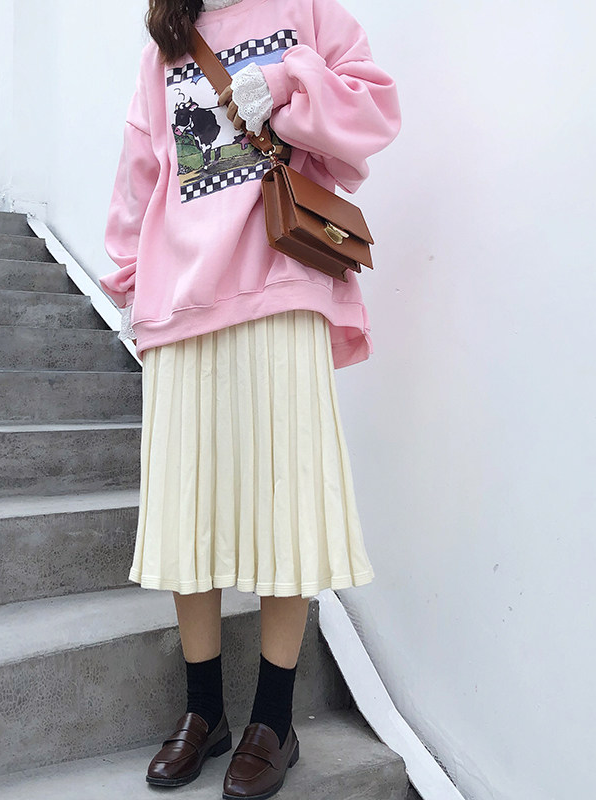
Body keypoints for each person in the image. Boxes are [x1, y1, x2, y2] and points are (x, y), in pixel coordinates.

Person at [98, 0, 401, 796]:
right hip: (179, 299)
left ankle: (274, 719)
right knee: (185, 508)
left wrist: (289, 80)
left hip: (279, 283)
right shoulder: (166, 45)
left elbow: (374, 108)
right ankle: (205, 711)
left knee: (284, 504)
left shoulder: (305, 10)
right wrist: (129, 281)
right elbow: (140, 172)